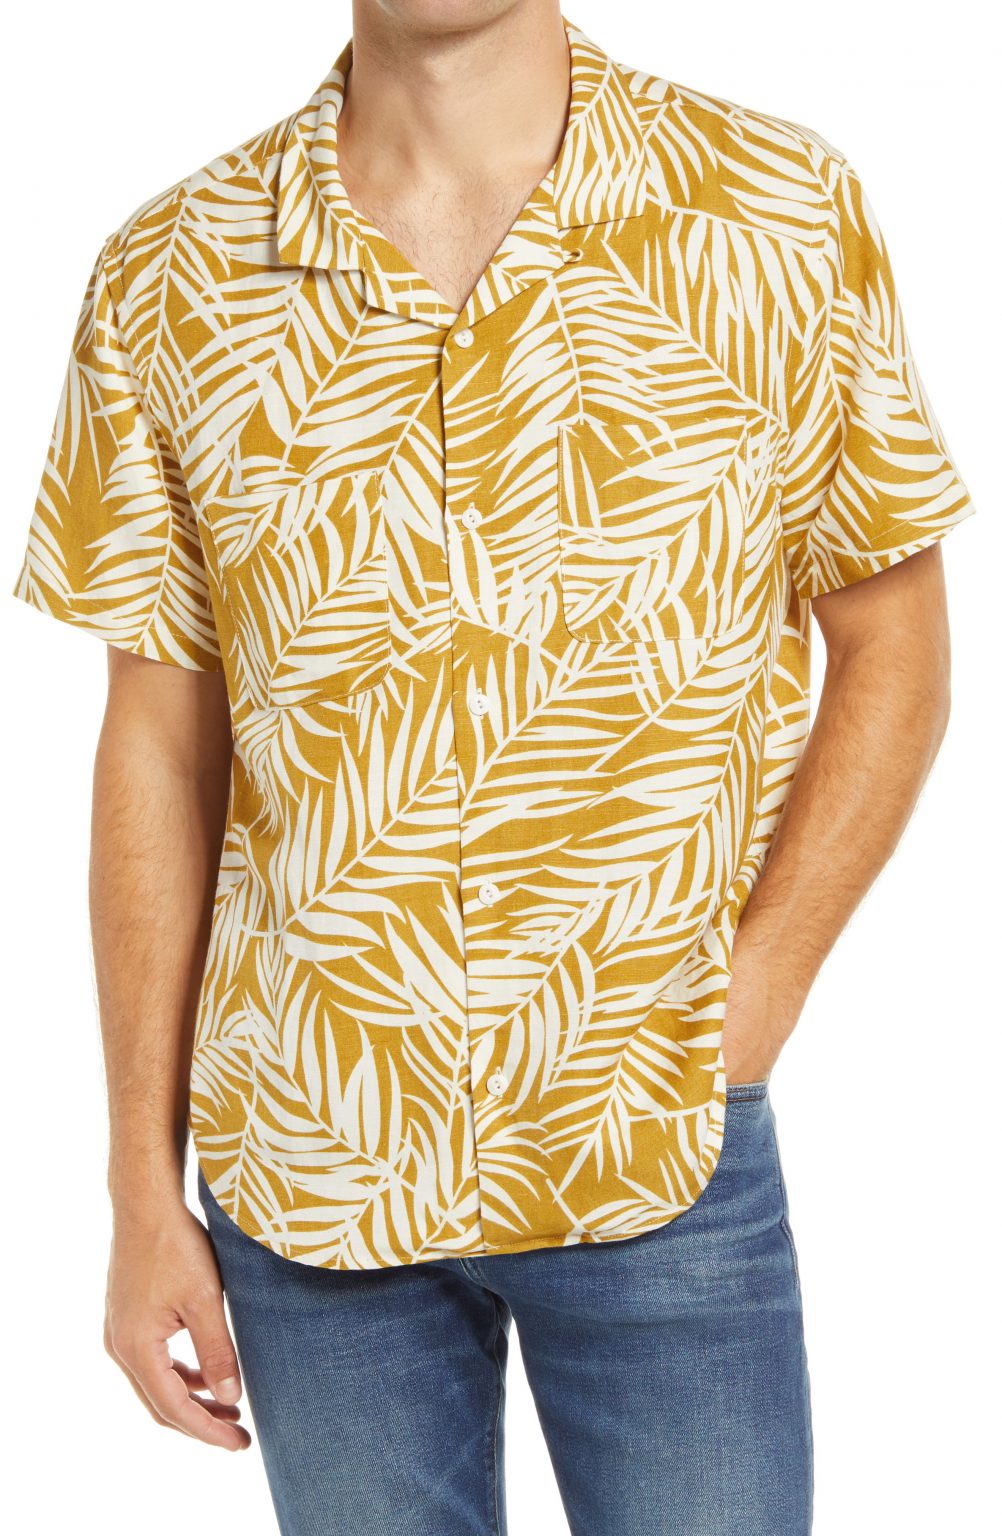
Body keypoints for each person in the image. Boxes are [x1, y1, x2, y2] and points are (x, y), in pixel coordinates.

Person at [12, 3, 975, 1533]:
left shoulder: (772, 210)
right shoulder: (170, 274)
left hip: (653, 1129)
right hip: (309, 1166)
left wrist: (755, 992)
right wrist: (141, 1183)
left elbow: (892, 644)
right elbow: (154, 740)